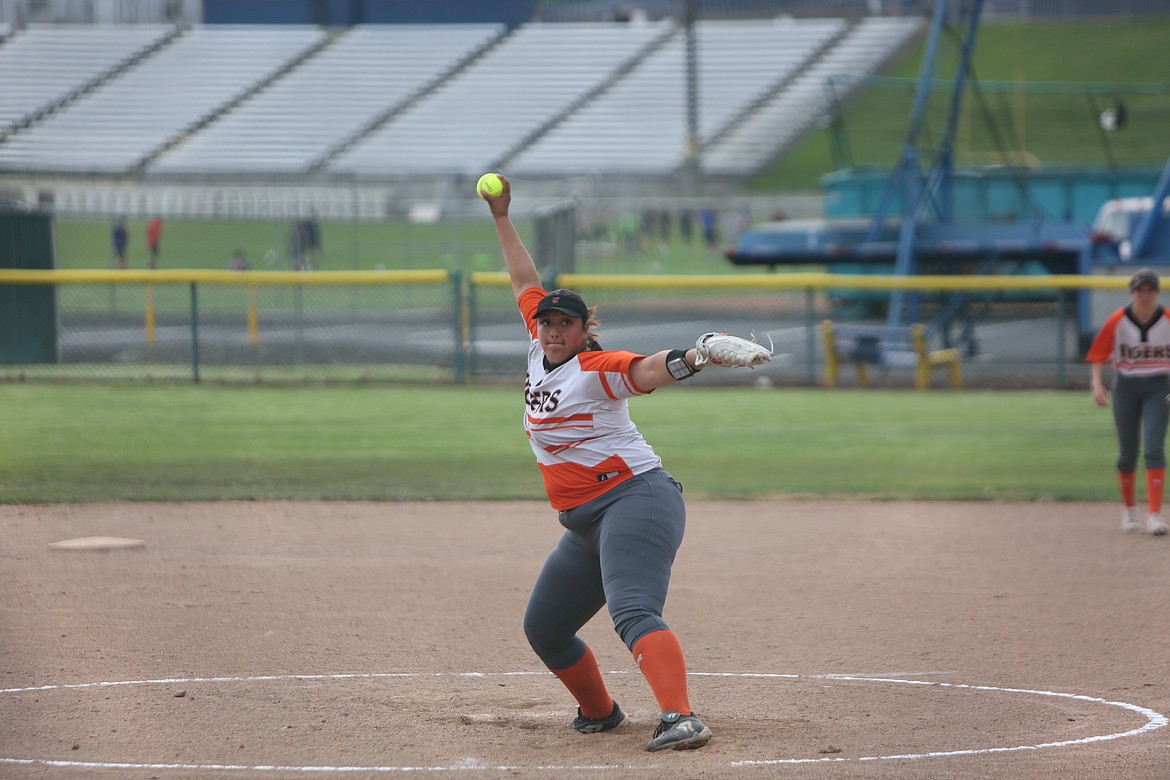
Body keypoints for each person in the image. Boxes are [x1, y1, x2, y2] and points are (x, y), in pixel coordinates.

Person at [482, 174, 750, 753]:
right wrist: (502, 216)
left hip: (636, 498)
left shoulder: (597, 367)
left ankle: (681, 716)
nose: (553, 331)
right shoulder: (537, 349)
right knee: (546, 629)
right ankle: (600, 713)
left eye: (565, 324)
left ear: (584, 330)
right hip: (583, 520)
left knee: (632, 609)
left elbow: (646, 370)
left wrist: (695, 357)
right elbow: (524, 280)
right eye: (547, 322)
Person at [1087, 267, 1170, 536]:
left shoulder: (1167, 319)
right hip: (1126, 386)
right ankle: (1129, 509)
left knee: (1154, 448)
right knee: (1128, 452)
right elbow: (1098, 354)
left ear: (1157, 292)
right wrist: (1096, 383)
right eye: (1139, 290)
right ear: (1132, 293)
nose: (1145, 295)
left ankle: (1155, 515)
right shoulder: (1118, 320)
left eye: (1150, 290)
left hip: (1160, 386)